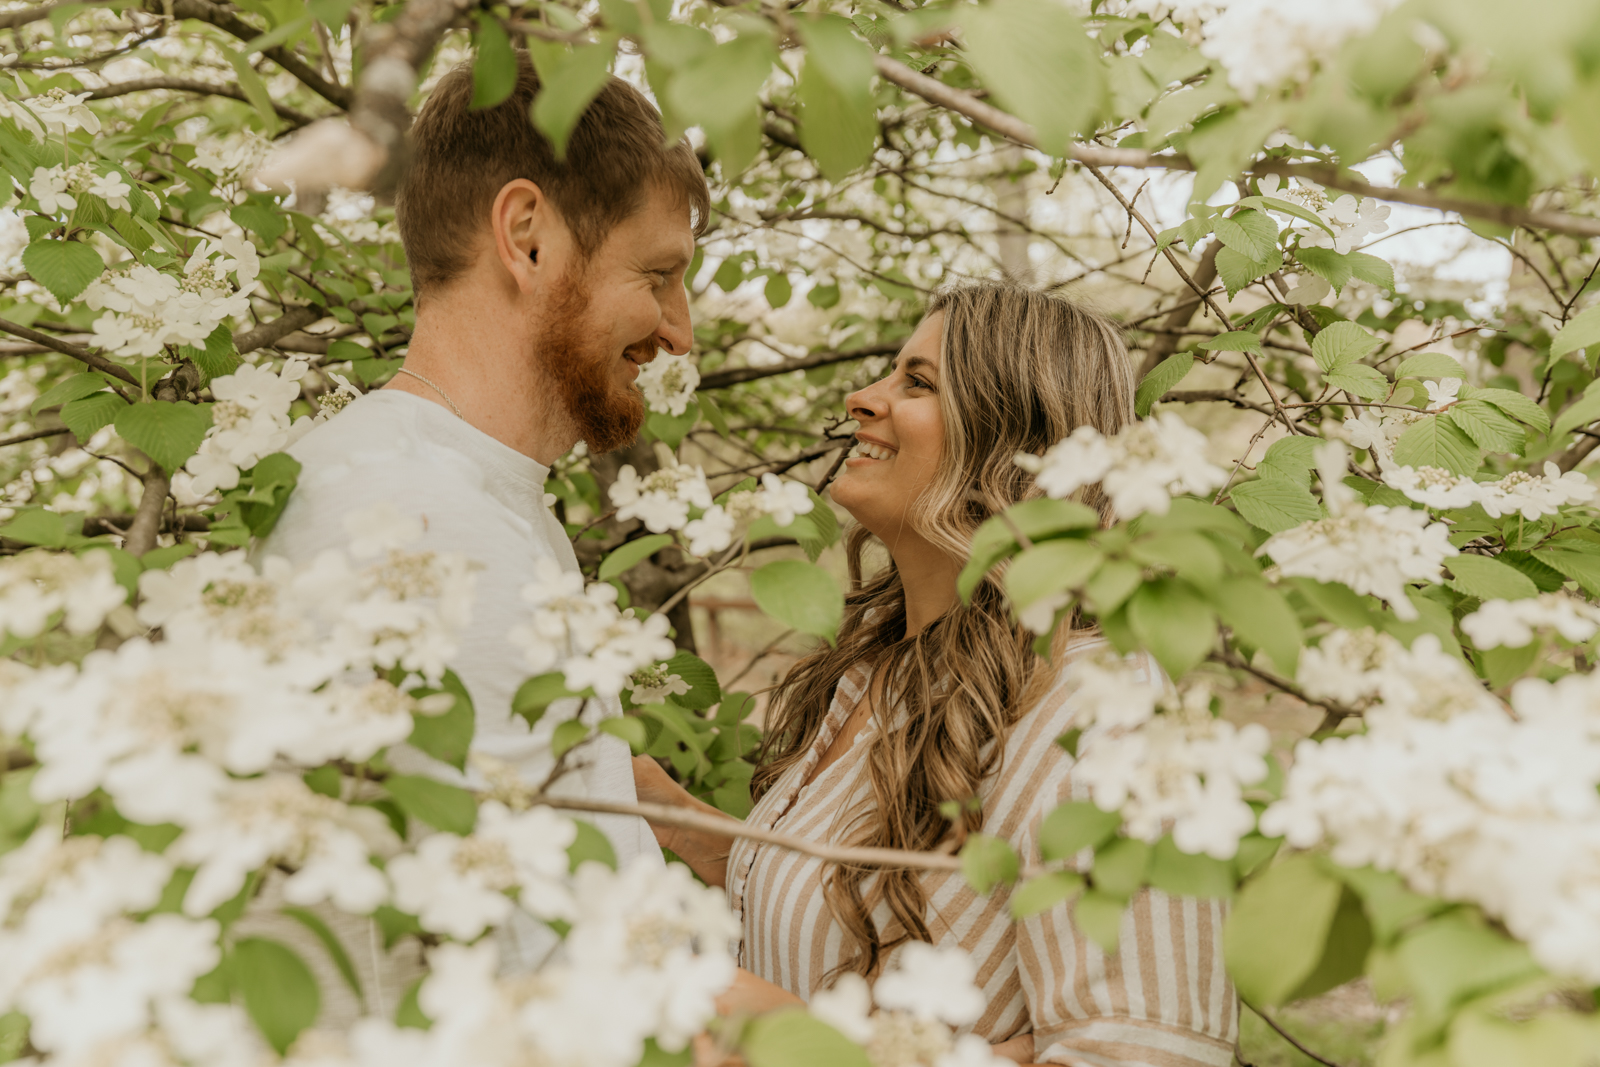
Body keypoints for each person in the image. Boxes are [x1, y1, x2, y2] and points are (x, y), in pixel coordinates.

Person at [635, 281, 1239, 1067]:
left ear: (1010, 442)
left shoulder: (1102, 713)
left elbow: (1148, 1056)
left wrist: (814, 1042)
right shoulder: (873, 670)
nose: (861, 397)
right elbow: (845, 915)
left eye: (917, 383)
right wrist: (681, 823)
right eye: (890, 372)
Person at [265, 54, 707, 876]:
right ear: (526, 238)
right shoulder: (429, 528)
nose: (681, 332)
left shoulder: (449, 484)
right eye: (658, 275)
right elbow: (595, 974)